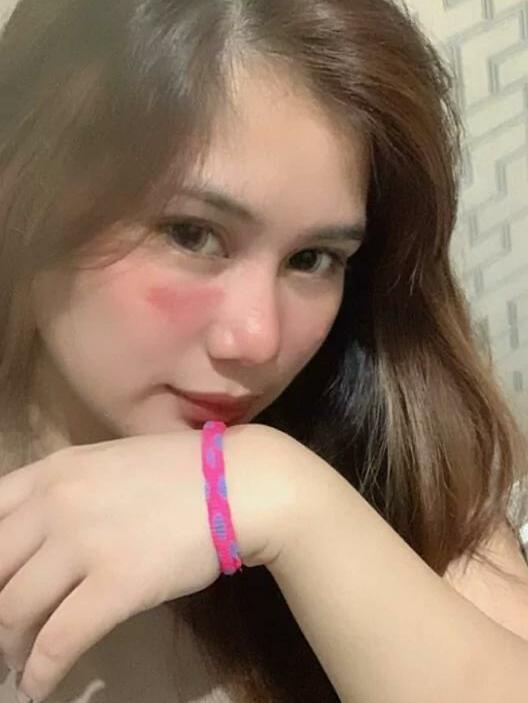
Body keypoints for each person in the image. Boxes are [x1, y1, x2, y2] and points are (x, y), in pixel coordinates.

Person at [0, 1, 527, 702]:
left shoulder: (391, 448)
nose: (259, 340)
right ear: (26, 192)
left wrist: (282, 498)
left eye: (313, 258)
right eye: (191, 234)